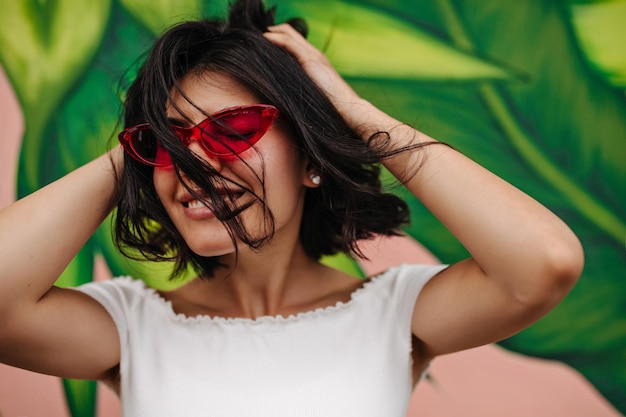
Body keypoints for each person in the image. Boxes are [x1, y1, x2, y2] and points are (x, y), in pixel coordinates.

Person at [0, 0, 583, 415]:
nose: (196, 161)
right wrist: (142, 137)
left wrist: (353, 112)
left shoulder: (395, 314)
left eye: (234, 129)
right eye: (170, 143)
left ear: (311, 162)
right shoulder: (128, 326)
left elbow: (546, 262)